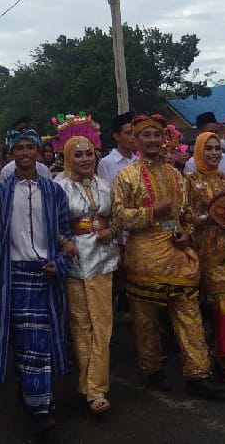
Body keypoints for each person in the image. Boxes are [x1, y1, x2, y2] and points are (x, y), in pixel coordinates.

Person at [111, 114, 225, 400]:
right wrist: (152, 213)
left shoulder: (176, 175)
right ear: (136, 140)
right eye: (146, 135)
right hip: (144, 257)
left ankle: (199, 374)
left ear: (163, 139)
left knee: (189, 313)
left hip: (177, 253)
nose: (152, 140)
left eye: (156, 135)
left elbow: (186, 213)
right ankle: (152, 369)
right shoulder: (126, 176)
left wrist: (187, 232)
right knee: (146, 320)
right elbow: (119, 217)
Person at [0, 125, 72, 435]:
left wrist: (59, 263)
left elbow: (65, 234)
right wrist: (12, 244)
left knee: (43, 343)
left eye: (29, 147)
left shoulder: (53, 191)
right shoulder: (1, 192)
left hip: (46, 275)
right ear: (11, 154)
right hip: (17, 276)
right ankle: (40, 407)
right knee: (28, 342)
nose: (24, 153)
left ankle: (36, 394)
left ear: (37, 152)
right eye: (19, 148)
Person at [57, 136, 120, 415]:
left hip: (103, 260)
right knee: (81, 326)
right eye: (79, 154)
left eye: (89, 153)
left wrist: (112, 230)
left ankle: (95, 389)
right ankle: (92, 387)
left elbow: (118, 217)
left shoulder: (105, 186)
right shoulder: (59, 187)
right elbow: (50, 223)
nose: (85, 159)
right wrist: (63, 242)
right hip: (75, 262)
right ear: (68, 158)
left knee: (102, 324)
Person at [185, 132, 225, 385]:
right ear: (199, 151)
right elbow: (183, 215)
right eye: (208, 149)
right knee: (214, 304)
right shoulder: (190, 182)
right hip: (203, 251)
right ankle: (215, 355)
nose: (214, 153)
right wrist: (204, 219)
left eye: (217, 149)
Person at [97, 112, 137, 325]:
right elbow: (107, 199)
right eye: (128, 133)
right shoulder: (107, 163)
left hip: (138, 227)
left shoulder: (140, 161)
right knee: (116, 280)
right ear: (116, 136)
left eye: (135, 133)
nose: (133, 137)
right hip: (118, 229)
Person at [184, 112, 225, 186]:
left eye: (216, 132)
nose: (213, 135)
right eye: (210, 131)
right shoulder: (192, 163)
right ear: (199, 133)